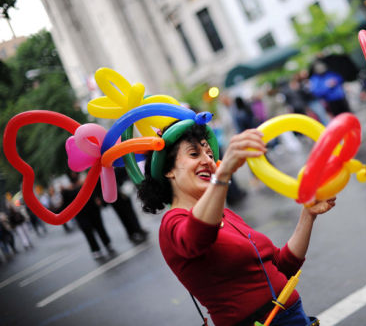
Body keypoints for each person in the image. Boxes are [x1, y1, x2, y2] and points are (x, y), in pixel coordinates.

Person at [137, 120, 334, 326]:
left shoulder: (224, 214)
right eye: (195, 154)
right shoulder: (172, 223)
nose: (208, 161)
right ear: (168, 170)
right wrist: (223, 174)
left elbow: (281, 265)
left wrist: (308, 214)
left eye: (211, 155)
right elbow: (199, 235)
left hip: (293, 315)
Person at [61, 172, 114, 259]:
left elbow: (95, 189)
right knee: (87, 231)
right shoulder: (67, 189)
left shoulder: (85, 180)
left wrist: (98, 199)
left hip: (93, 209)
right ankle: (95, 249)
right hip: (80, 214)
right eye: (71, 173)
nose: (73, 174)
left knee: (100, 227)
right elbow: (66, 203)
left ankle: (107, 244)